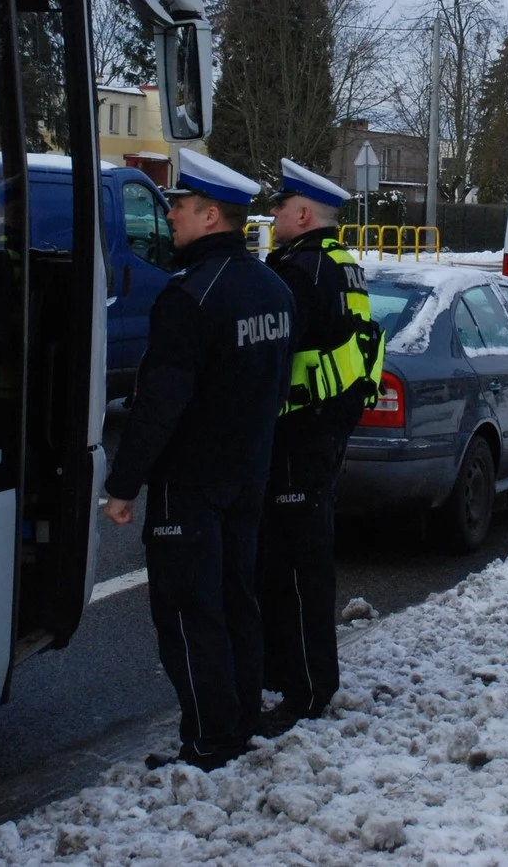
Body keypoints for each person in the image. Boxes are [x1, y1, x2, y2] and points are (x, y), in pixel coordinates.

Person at [103, 148, 295, 771]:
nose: (172, 218)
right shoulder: (272, 287)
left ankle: (210, 740)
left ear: (211, 215)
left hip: (192, 481)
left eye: (180, 208)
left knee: (189, 611)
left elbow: (160, 404)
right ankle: (239, 721)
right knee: (237, 597)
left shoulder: (189, 298)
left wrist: (123, 484)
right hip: (248, 474)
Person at [256, 158, 383, 737]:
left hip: (297, 432)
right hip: (324, 431)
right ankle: (304, 679)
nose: (274, 214)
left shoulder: (300, 270)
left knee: (294, 568)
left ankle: (305, 689)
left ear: (303, 213)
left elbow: (273, 355)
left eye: (280, 206)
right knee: (304, 560)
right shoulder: (342, 264)